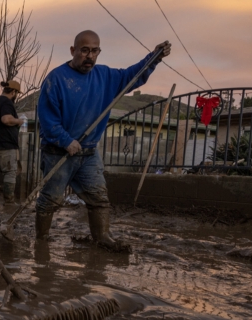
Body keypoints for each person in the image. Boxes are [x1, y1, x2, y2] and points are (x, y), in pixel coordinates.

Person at [35, 30, 171, 252]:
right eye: (84, 50)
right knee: (50, 199)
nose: (89, 56)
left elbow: (133, 75)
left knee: (98, 197)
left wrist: (154, 57)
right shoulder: (56, 79)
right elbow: (48, 120)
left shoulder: (105, 76)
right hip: (58, 151)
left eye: (94, 51)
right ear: (73, 50)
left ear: (99, 51)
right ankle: (41, 239)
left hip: (88, 153)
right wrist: (65, 140)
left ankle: (102, 237)